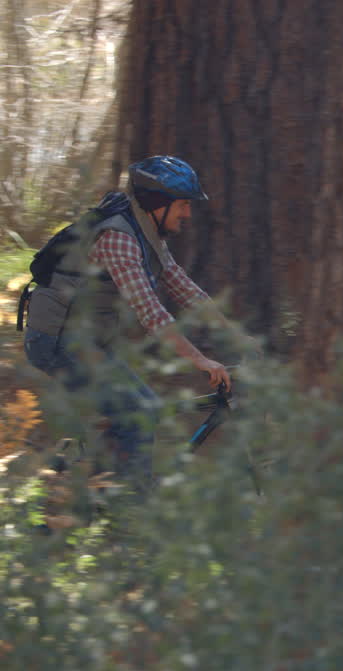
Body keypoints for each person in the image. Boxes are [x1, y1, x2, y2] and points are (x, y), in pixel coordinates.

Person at [22, 155, 238, 499]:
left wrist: (233, 334)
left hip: (87, 340)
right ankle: (125, 517)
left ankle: (92, 492)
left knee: (134, 410)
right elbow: (151, 313)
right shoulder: (119, 239)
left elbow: (181, 285)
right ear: (158, 204)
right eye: (183, 205)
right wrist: (201, 360)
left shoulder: (147, 231)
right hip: (56, 340)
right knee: (138, 411)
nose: (188, 213)